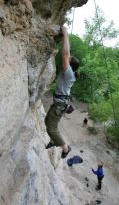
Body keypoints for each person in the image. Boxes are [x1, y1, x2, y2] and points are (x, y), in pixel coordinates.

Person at [45, 26, 80, 159]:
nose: (66, 59)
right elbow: (67, 55)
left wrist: (65, 34)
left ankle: (65, 148)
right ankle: (55, 140)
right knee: (47, 120)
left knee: (51, 128)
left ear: (70, 66)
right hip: (60, 104)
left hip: (59, 105)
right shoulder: (69, 72)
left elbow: (65, 54)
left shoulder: (69, 74)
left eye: (68, 60)